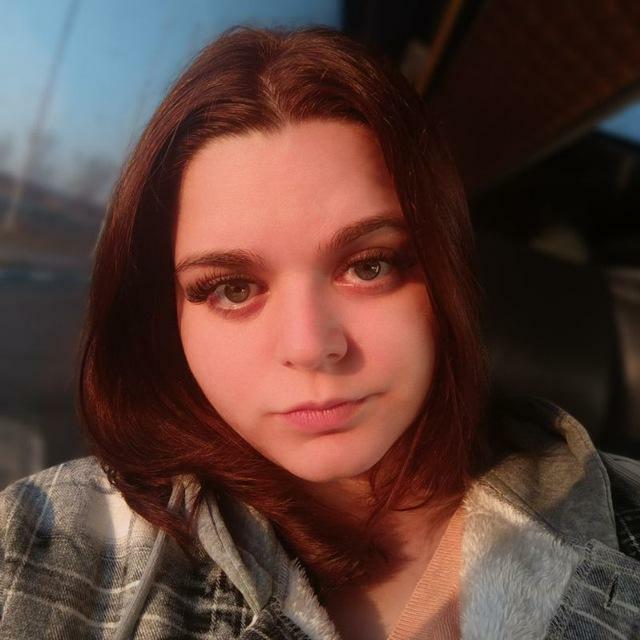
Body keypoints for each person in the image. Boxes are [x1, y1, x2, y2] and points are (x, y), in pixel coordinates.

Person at [1, 25, 640, 640]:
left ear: (448, 270)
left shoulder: (623, 520)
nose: (310, 346)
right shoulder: (39, 542)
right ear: (165, 319)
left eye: (369, 266)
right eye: (233, 288)